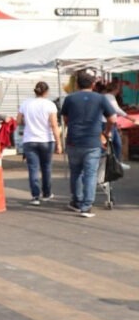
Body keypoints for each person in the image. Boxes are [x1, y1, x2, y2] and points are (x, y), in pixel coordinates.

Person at [59, 71, 115, 218]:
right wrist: (106, 132)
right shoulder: (100, 98)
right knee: (90, 174)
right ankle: (86, 206)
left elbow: (65, 119)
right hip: (92, 142)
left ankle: (76, 202)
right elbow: (113, 119)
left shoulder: (69, 99)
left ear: (77, 84)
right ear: (93, 84)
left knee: (76, 172)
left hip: (73, 140)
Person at [17, 81, 61, 205]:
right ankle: (46, 193)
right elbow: (53, 124)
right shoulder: (50, 105)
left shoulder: (26, 103)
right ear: (46, 92)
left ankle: (35, 196)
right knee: (46, 167)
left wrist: (29, 121)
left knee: (33, 168)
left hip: (30, 139)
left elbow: (18, 121)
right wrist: (59, 143)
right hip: (46, 140)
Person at [97, 79, 135, 169]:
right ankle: (109, 164)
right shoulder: (109, 97)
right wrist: (130, 118)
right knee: (112, 143)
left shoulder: (107, 96)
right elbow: (116, 110)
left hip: (106, 122)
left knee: (115, 143)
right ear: (116, 89)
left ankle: (115, 163)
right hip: (106, 123)